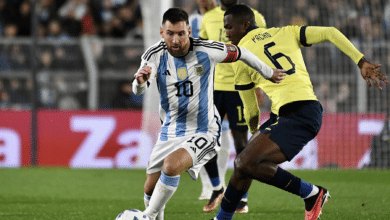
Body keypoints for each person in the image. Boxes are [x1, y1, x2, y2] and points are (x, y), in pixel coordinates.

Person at [212, 4, 388, 220]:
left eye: (229, 27)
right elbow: (331, 32)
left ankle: (311, 193)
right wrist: (361, 60)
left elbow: (251, 108)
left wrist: (253, 129)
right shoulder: (287, 31)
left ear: (245, 25)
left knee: (244, 162)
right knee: (243, 167)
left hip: (298, 115)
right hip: (303, 111)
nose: (226, 33)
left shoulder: (241, 56)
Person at [131, 8, 286, 220]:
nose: (175, 39)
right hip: (170, 129)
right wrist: (140, 82)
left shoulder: (207, 49)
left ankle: (146, 216)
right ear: (161, 32)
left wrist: (269, 73)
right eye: (170, 34)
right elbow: (138, 86)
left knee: (171, 166)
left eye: (180, 33)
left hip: (203, 129)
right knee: (150, 188)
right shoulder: (154, 54)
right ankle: (153, 215)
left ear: (189, 31)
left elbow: (242, 53)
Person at [199, 0, 267, 213]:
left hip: (241, 86)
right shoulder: (208, 18)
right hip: (214, 87)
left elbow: (261, 52)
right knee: (205, 139)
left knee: (241, 142)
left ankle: (242, 198)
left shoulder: (256, 16)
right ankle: (217, 188)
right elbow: (201, 50)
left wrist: (259, 85)